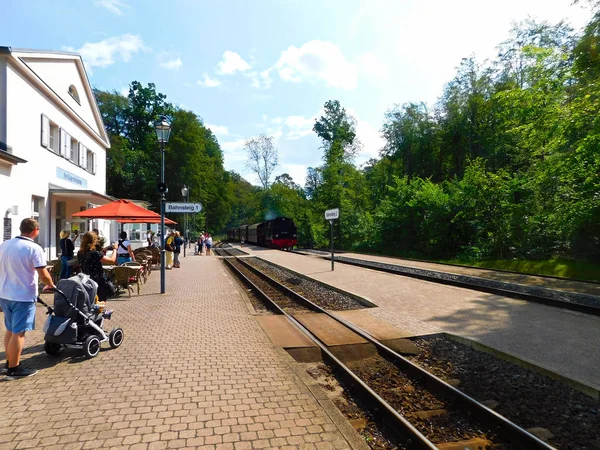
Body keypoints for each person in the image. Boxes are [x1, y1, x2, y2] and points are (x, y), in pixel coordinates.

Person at [0, 218, 56, 379]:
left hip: (5, 294)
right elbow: (43, 274)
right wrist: (51, 284)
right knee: (19, 333)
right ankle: (14, 368)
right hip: (23, 295)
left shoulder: (5, 245)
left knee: (10, 330)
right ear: (36, 230)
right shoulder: (33, 248)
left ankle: (9, 363)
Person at [77, 231, 117, 301]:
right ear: (93, 241)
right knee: (100, 302)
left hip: (86, 281)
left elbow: (97, 256)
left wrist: (105, 249)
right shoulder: (94, 253)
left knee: (90, 301)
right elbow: (112, 260)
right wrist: (115, 249)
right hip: (98, 281)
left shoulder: (80, 253)